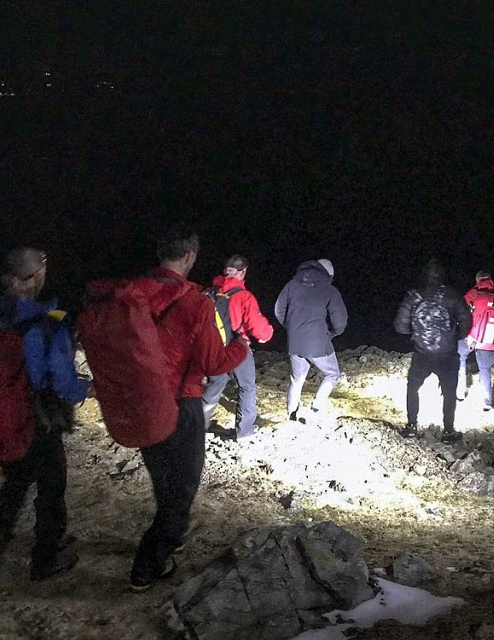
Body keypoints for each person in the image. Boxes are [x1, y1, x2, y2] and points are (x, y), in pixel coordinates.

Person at [0, 247, 91, 581]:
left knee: (18, 477)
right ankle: (47, 556)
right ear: (35, 277)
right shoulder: (46, 322)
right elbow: (60, 380)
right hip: (33, 418)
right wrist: (85, 391)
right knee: (51, 484)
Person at [130, 228, 250, 591]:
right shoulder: (195, 302)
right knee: (183, 484)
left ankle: (172, 531)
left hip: (141, 400)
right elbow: (214, 363)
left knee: (163, 478)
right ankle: (147, 566)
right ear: (190, 256)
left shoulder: (132, 294)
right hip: (180, 403)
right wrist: (242, 347)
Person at [393, 258, 472, 442]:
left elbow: (400, 326)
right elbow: (467, 323)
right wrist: (454, 336)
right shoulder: (452, 295)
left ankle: (412, 427)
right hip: (447, 354)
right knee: (449, 392)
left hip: (422, 353)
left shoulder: (414, 295)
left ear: (424, 275)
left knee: (413, 387)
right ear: (442, 275)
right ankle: (448, 431)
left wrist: (415, 332)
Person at [201, 255, 275, 440]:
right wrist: (267, 335)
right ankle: (244, 431)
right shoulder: (244, 296)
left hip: (213, 347)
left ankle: (199, 426)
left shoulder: (210, 292)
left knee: (216, 383)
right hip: (237, 347)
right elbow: (258, 328)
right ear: (243, 272)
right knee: (246, 387)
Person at [274, 258, 348, 422]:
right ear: (329, 275)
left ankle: (291, 413)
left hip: (294, 341)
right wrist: (331, 333)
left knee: (297, 379)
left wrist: (291, 327)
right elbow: (340, 321)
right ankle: (315, 410)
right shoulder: (328, 289)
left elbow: (278, 309)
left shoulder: (292, 284)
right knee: (332, 374)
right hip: (317, 342)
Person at [457, 270, 494, 410]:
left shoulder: (472, 294)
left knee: (460, 358)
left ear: (477, 280)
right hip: (490, 341)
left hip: (471, 337)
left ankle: (460, 391)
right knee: (485, 368)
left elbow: (461, 314)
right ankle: (487, 400)